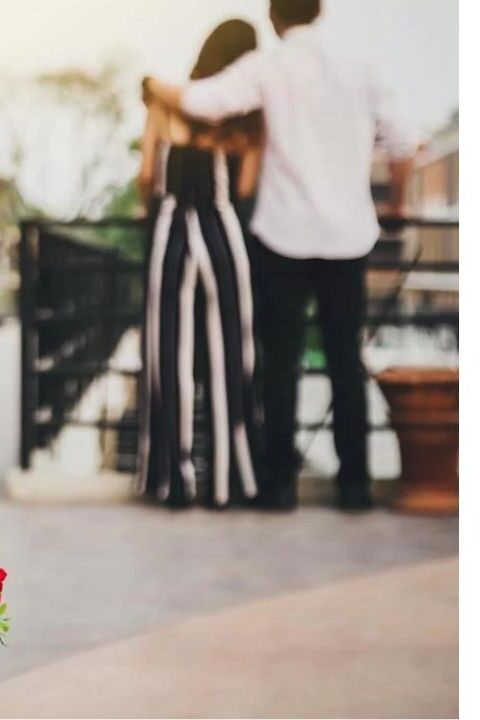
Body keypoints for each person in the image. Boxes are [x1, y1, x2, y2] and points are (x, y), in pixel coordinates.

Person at [145, 0, 418, 512]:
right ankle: (354, 486)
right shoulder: (361, 65)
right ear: (321, 11)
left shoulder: (268, 66)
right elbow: (405, 141)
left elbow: (205, 101)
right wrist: (397, 203)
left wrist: (152, 86)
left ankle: (277, 486)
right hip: (347, 236)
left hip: (283, 236)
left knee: (280, 362)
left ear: (274, 18)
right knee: (345, 360)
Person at [136, 19, 263, 508]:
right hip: (221, 228)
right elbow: (247, 187)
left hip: (171, 225)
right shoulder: (249, 115)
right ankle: (231, 479)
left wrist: (153, 205)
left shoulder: (167, 101)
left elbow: (147, 174)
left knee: (169, 350)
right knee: (233, 349)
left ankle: (174, 479)